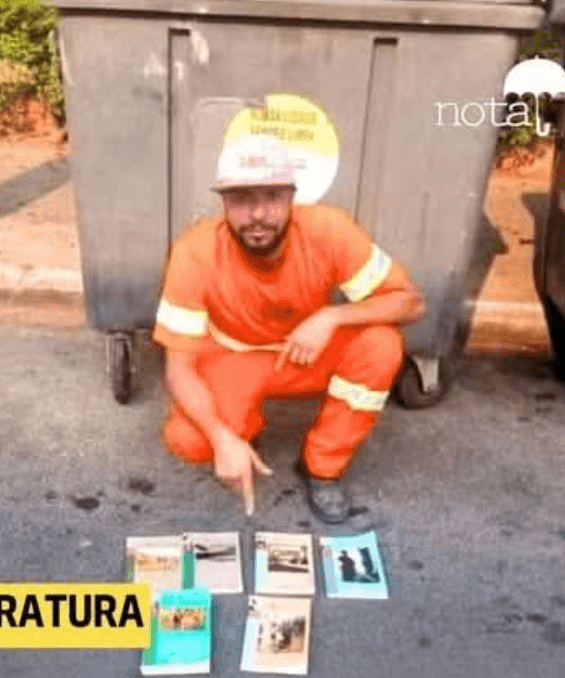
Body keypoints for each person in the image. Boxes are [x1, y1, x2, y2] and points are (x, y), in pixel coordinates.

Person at [152, 134, 425, 524]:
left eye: (272, 197)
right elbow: (178, 367)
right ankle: (243, 430)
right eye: (242, 199)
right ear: (223, 203)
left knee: (381, 344)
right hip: (233, 356)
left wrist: (331, 317)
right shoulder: (195, 251)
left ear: (292, 197)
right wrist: (221, 438)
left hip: (302, 351)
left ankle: (323, 468)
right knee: (190, 440)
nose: (258, 214)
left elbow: (411, 301)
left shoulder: (328, 230)